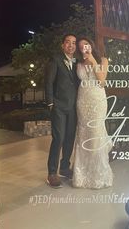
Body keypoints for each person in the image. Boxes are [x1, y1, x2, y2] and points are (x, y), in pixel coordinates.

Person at [72, 37, 113, 189]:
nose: (84, 48)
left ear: (91, 45)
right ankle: (81, 175)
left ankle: (98, 176)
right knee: (84, 135)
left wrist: (93, 61)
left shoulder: (103, 60)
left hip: (97, 99)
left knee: (96, 134)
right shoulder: (78, 64)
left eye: (86, 45)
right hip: (82, 101)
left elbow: (102, 80)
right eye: (81, 46)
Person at [45, 34, 78, 188]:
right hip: (58, 106)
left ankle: (65, 168)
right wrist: (50, 103)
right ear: (62, 45)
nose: (71, 45)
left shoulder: (77, 62)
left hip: (73, 107)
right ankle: (52, 173)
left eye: (73, 43)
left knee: (70, 138)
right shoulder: (56, 60)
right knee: (59, 138)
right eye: (67, 42)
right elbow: (49, 82)